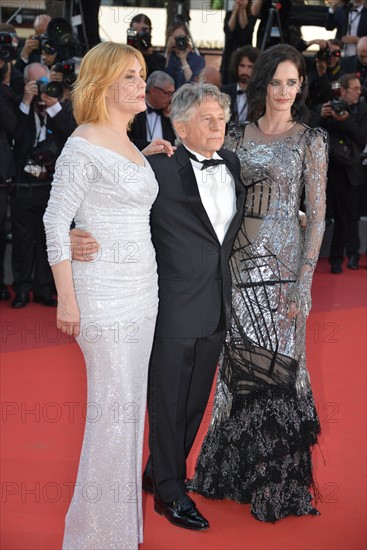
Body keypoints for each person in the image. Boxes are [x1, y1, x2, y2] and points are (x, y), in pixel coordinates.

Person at [70, 82, 246, 531]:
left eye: (221, 118)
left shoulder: (232, 163)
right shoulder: (155, 169)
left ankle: (157, 471)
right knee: (167, 403)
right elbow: (108, 201)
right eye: (206, 119)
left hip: (216, 304)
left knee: (192, 403)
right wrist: (76, 231)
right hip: (168, 305)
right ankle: (171, 490)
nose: (217, 126)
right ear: (180, 125)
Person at [189, 44, 328, 522]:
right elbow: (201, 178)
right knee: (239, 369)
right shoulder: (235, 137)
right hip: (239, 271)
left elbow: (318, 216)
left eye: (294, 83)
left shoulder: (311, 140)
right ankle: (235, 473)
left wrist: (304, 281)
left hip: (285, 275)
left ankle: (277, 485)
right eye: (277, 82)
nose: (286, 92)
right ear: (262, 84)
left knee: (281, 369)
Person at [43, 42, 173, 549]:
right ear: (101, 86)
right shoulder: (82, 141)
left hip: (144, 290)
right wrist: (66, 298)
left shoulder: (125, 136)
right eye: (129, 77)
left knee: (128, 408)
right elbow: (56, 220)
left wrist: (142, 159)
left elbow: (110, 191)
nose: (141, 84)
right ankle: (96, 537)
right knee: (114, 413)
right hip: (103, 296)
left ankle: (118, 531)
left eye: (141, 75)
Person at [11, 62, 76, 308]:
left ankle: (43, 288)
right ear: (27, 83)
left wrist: (54, 106)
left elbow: (72, 132)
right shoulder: (22, 106)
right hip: (24, 185)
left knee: (48, 239)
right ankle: (21, 288)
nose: (43, 89)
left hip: (51, 185)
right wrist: (26, 103)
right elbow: (14, 134)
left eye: (46, 83)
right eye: (37, 84)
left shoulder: (60, 107)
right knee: (22, 240)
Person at [320, 73, 367, 273]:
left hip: (352, 169)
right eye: (355, 88)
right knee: (334, 215)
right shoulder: (329, 107)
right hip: (331, 169)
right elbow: (317, 132)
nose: (359, 91)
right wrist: (322, 115)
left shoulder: (363, 109)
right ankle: (336, 258)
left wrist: (345, 120)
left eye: (359, 88)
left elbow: (362, 137)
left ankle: (349, 255)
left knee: (350, 215)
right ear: (344, 91)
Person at [128, 70, 176, 150]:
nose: (171, 99)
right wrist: (152, 147)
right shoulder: (133, 109)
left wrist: (171, 119)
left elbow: (174, 142)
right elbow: (128, 140)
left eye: (172, 94)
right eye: (168, 93)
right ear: (154, 91)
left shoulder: (168, 113)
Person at [220, 0, 256, 85]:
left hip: (245, 52)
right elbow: (228, 30)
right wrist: (235, 11)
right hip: (230, 52)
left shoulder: (251, 16)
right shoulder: (229, 14)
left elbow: (245, 30)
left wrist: (242, 10)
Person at [221, 45, 260, 123]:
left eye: (250, 67)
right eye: (242, 66)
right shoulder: (224, 91)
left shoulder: (260, 94)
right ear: (236, 66)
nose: (245, 71)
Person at [164, 22, 205, 89]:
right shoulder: (168, 57)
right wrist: (167, 53)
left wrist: (183, 59)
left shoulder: (198, 60)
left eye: (182, 38)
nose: (179, 41)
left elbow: (193, 84)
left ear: (187, 38)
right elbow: (160, 78)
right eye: (176, 39)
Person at [128, 14, 166, 78]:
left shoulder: (159, 60)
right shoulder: (122, 56)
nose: (139, 37)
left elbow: (158, 79)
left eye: (143, 32)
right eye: (136, 32)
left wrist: (149, 55)